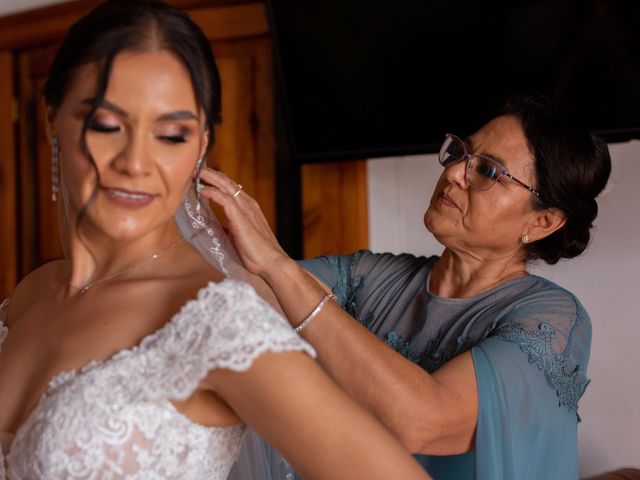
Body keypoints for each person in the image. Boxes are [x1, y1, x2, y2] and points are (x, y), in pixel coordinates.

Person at [0, 2, 432, 479]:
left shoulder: (214, 320)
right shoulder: (28, 296)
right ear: (52, 120)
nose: (136, 162)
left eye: (171, 134)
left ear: (202, 145)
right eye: (106, 125)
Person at [202, 95, 612, 479]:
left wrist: (279, 265)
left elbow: (422, 422)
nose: (452, 173)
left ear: (541, 222)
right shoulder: (372, 276)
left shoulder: (553, 318)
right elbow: (228, 289)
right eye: (460, 154)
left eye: (486, 170)